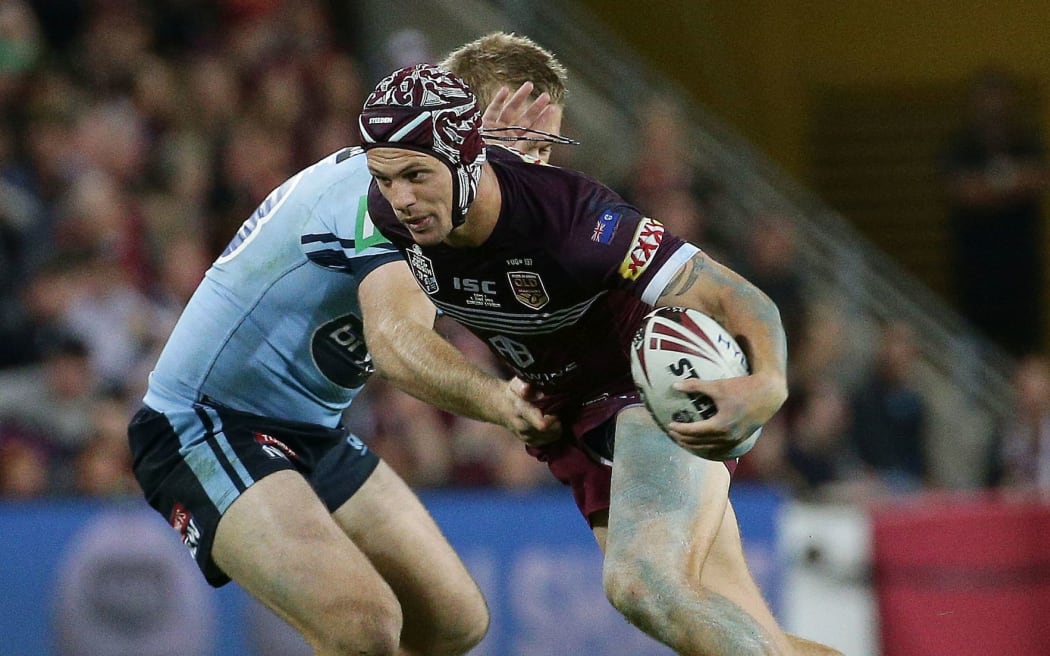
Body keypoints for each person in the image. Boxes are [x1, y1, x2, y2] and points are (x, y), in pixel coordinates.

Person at [358, 64, 841, 655]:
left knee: (643, 584)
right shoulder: (390, 216)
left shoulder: (571, 220)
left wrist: (768, 382)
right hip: (563, 412)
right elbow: (390, 335)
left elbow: (725, 291)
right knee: (736, 631)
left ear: (465, 158)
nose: (401, 199)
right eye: (385, 179)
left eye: (416, 175)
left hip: (644, 380)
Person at [126, 36, 565, 655]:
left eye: (542, 145)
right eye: (513, 141)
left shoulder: (456, 198)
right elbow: (393, 340)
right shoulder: (386, 194)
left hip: (313, 431)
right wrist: (501, 404)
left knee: (454, 622)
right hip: (207, 423)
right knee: (362, 626)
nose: (533, 166)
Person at [940, 67, 1050, 357]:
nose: (994, 107)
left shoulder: (1027, 142)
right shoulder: (960, 146)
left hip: (1020, 273)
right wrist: (1010, 183)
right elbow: (965, 192)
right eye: (987, 99)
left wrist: (991, 184)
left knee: (1025, 354)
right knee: (975, 355)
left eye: (1000, 99)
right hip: (975, 274)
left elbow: (1038, 179)